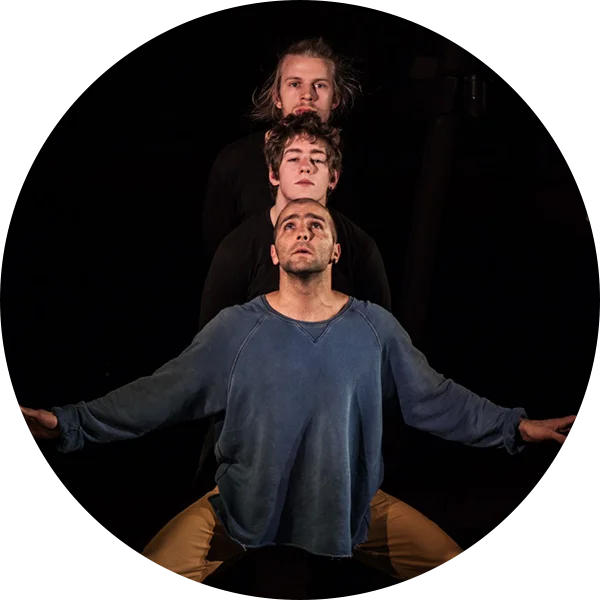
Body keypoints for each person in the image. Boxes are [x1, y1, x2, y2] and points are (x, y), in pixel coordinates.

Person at [20, 198, 577, 585]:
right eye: (289, 226)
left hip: (351, 509)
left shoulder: (375, 329)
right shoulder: (236, 329)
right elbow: (159, 393)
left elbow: (436, 397)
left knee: (448, 558)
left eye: (315, 224)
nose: (303, 231)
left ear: (335, 252)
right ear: (274, 253)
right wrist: (70, 423)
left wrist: (514, 426)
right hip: (238, 512)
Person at [201, 36, 361, 259]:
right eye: (295, 84)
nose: (307, 95)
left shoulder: (357, 163)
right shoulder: (233, 161)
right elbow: (217, 250)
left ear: (335, 98)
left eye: (320, 85)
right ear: (277, 96)